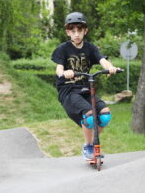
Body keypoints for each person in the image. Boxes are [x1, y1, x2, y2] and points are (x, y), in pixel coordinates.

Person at [51, 12, 120, 160]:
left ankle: (91, 140)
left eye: (79, 31)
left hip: (85, 89)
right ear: (68, 32)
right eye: (73, 31)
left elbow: (102, 60)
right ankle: (88, 146)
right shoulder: (63, 49)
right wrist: (65, 72)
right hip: (68, 91)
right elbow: (58, 69)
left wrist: (110, 67)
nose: (76, 34)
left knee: (105, 115)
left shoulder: (90, 48)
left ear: (85, 31)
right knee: (89, 117)